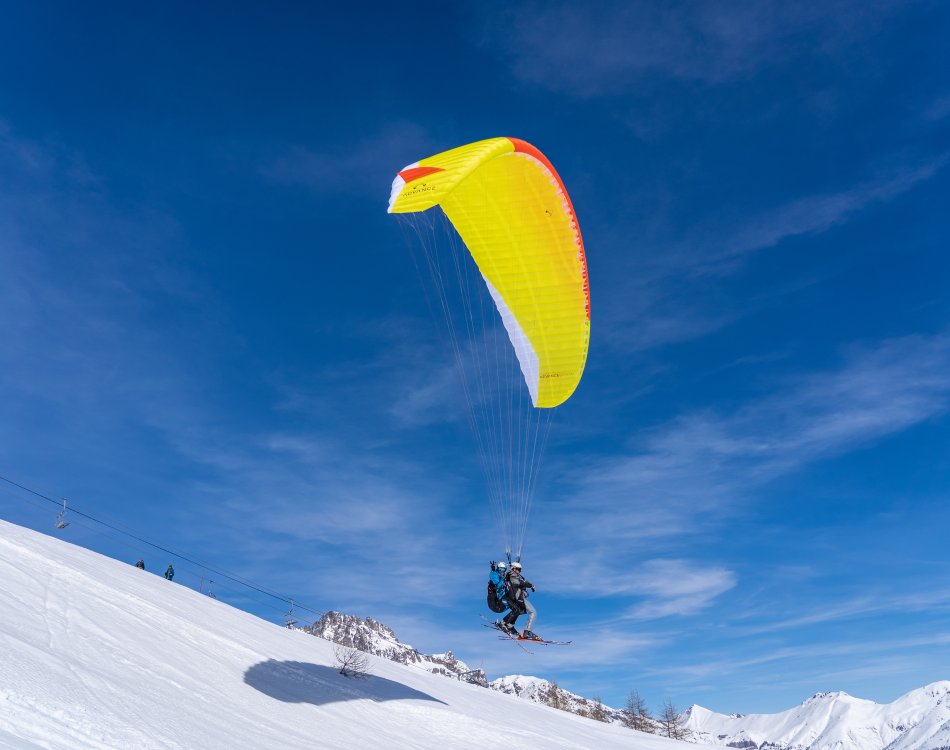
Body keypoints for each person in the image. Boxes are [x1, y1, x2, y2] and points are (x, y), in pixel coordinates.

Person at [502, 561, 541, 640]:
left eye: (520, 569)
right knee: (533, 612)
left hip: (517, 598)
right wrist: (531, 585)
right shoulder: (512, 575)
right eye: (519, 569)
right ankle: (527, 631)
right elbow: (520, 582)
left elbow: (522, 581)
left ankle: (508, 624)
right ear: (514, 568)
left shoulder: (513, 575)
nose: (520, 571)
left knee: (520, 611)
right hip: (519, 598)